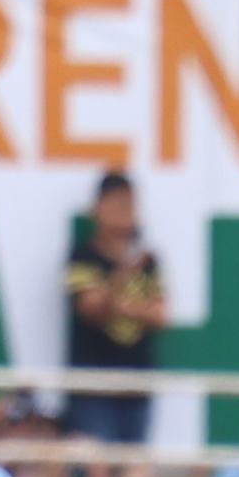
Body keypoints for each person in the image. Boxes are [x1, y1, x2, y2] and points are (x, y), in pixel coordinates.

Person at [62, 172, 170, 446]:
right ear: (97, 207)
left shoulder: (148, 260)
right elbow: (90, 308)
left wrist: (120, 305)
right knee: (96, 469)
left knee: (132, 468)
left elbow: (160, 315)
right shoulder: (83, 255)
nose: (125, 213)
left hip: (136, 383)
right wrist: (122, 276)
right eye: (117, 204)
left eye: (130, 205)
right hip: (93, 384)